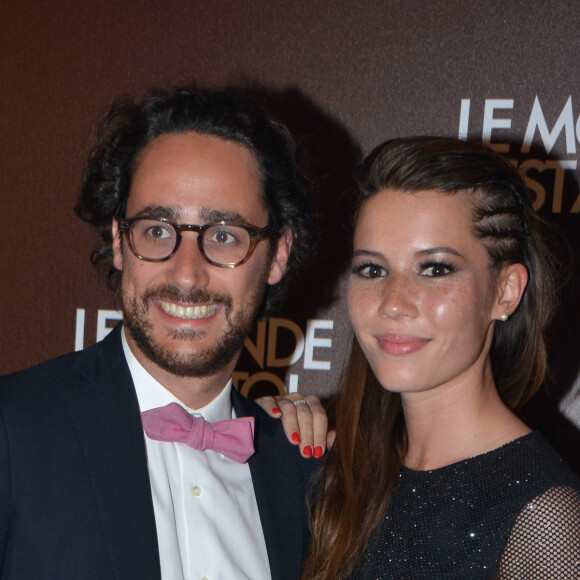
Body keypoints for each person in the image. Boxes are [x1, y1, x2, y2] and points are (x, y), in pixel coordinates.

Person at [0, 85, 328, 580]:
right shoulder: (14, 432)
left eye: (223, 235)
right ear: (118, 240)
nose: (186, 274)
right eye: (157, 230)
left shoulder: (303, 473)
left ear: (278, 253)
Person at [301, 137, 580, 579]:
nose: (393, 302)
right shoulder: (332, 475)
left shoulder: (542, 519)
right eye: (373, 270)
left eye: (435, 269)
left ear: (504, 292)